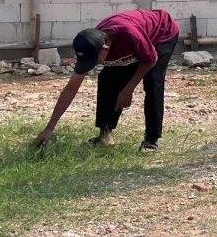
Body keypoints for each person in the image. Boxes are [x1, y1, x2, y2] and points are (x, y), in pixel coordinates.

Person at [33, 9, 179, 151]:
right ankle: (105, 135)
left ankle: (151, 140)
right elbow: (71, 88)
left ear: (105, 48)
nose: (93, 64)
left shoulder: (129, 34)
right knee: (107, 79)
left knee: (153, 80)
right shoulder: (91, 43)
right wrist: (49, 128)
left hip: (162, 32)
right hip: (134, 41)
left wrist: (129, 89)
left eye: (94, 60)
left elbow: (150, 60)